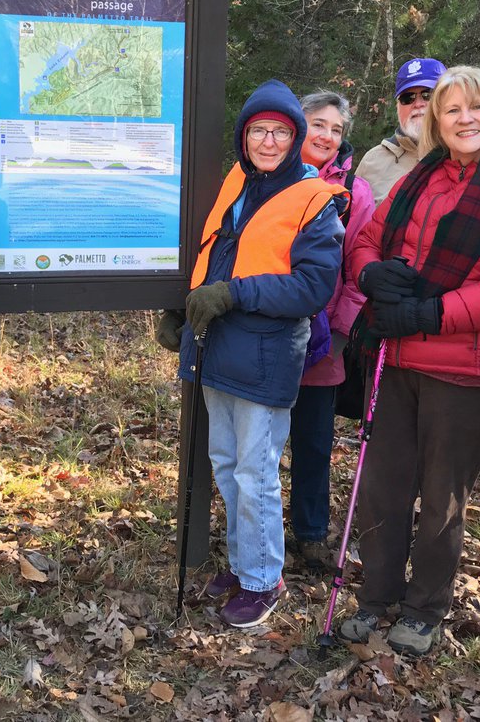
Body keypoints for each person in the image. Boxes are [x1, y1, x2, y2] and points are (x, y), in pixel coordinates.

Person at [342, 65, 480, 655]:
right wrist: (368, 272)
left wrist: (430, 315)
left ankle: (424, 607)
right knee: (382, 486)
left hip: (465, 367)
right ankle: (375, 596)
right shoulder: (421, 178)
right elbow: (364, 239)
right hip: (394, 354)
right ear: (435, 119)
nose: (464, 119)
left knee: (441, 496)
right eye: (451, 109)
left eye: (476, 107)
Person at [157, 79, 346, 628]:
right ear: (244, 137)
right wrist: (182, 309)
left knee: (255, 471)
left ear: (295, 137)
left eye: (280, 131)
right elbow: (212, 254)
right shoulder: (238, 182)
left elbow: (313, 288)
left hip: (265, 355)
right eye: (258, 130)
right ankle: (244, 566)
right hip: (216, 347)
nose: (268, 141)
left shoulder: (315, 200)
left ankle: (264, 580)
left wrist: (234, 295)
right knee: (225, 463)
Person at [287, 90, 375, 570]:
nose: (326, 135)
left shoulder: (354, 191)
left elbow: (357, 270)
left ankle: (311, 532)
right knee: (257, 442)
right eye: (318, 124)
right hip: (265, 336)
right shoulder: (268, 176)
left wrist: (338, 336)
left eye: (336, 129)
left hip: (323, 342)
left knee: (315, 442)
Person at [356, 57, 447, 205]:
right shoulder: (372, 161)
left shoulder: (464, 156)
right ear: (398, 106)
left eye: (427, 94)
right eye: (407, 98)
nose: (418, 104)